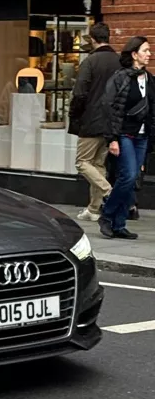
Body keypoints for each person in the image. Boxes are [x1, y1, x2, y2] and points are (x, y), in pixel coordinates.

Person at [100, 36, 155, 241]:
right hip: (124, 134)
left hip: (142, 137)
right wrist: (112, 139)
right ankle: (106, 214)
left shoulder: (149, 79)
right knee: (128, 176)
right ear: (134, 54)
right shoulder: (120, 78)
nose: (149, 54)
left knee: (131, 180)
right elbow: (110, 108)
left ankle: (119, 224)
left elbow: (152, 110)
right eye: (145, 50)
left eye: (149, 51)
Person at [68, 23, 120, 222]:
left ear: (92, 39)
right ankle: (94, 209)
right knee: (98, 164)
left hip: (91, 120)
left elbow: (79, 92)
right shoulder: (118, 61)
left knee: (82, 162)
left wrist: (75, 115)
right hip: (111, 122)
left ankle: (109, 192)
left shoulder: (90, 62)